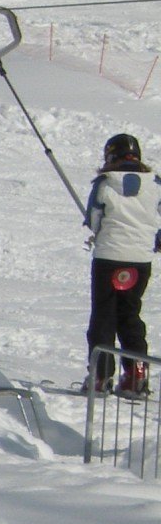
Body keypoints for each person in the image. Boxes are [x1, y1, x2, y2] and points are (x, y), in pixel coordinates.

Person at [84, 132, 160, 395]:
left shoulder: (106, 181)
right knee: (130, 313)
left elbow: (94, 216)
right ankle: (136, 375)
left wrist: (97, 232)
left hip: (108, 257)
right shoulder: (155, 182)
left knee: (104, 315)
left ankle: (100, 376)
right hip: (139, 260)